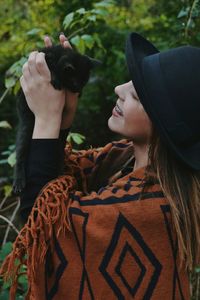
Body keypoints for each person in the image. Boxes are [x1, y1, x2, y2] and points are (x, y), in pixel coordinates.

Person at [1, 32, 199, 299]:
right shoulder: (120, 160)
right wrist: (62, 111)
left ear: (162, 124)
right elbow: (50, 181)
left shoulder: (151, 207)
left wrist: (47, 119)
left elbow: (42, 227)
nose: (119, 89)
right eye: (129, 82)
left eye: (137, 96)